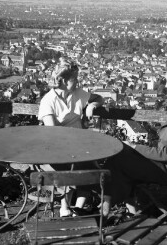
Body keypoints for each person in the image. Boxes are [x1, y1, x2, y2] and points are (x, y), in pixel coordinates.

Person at [101, 60, 167, 216]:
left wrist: (134, 146)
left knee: (117, 161)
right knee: (121, 157)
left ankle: (105, 210)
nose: (165, 85)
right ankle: (129, 211)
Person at [38, 57, 104, 217]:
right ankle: (65, 207)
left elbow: (98, 98)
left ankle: (78, 207)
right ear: (62, 80)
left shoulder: (77, 94)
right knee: (69, 169)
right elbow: (52, 132)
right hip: (57, 148)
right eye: (74, 79)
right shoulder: (48, 101)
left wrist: (92, 106)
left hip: (79, 146)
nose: (77, 82)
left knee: (93, 168)